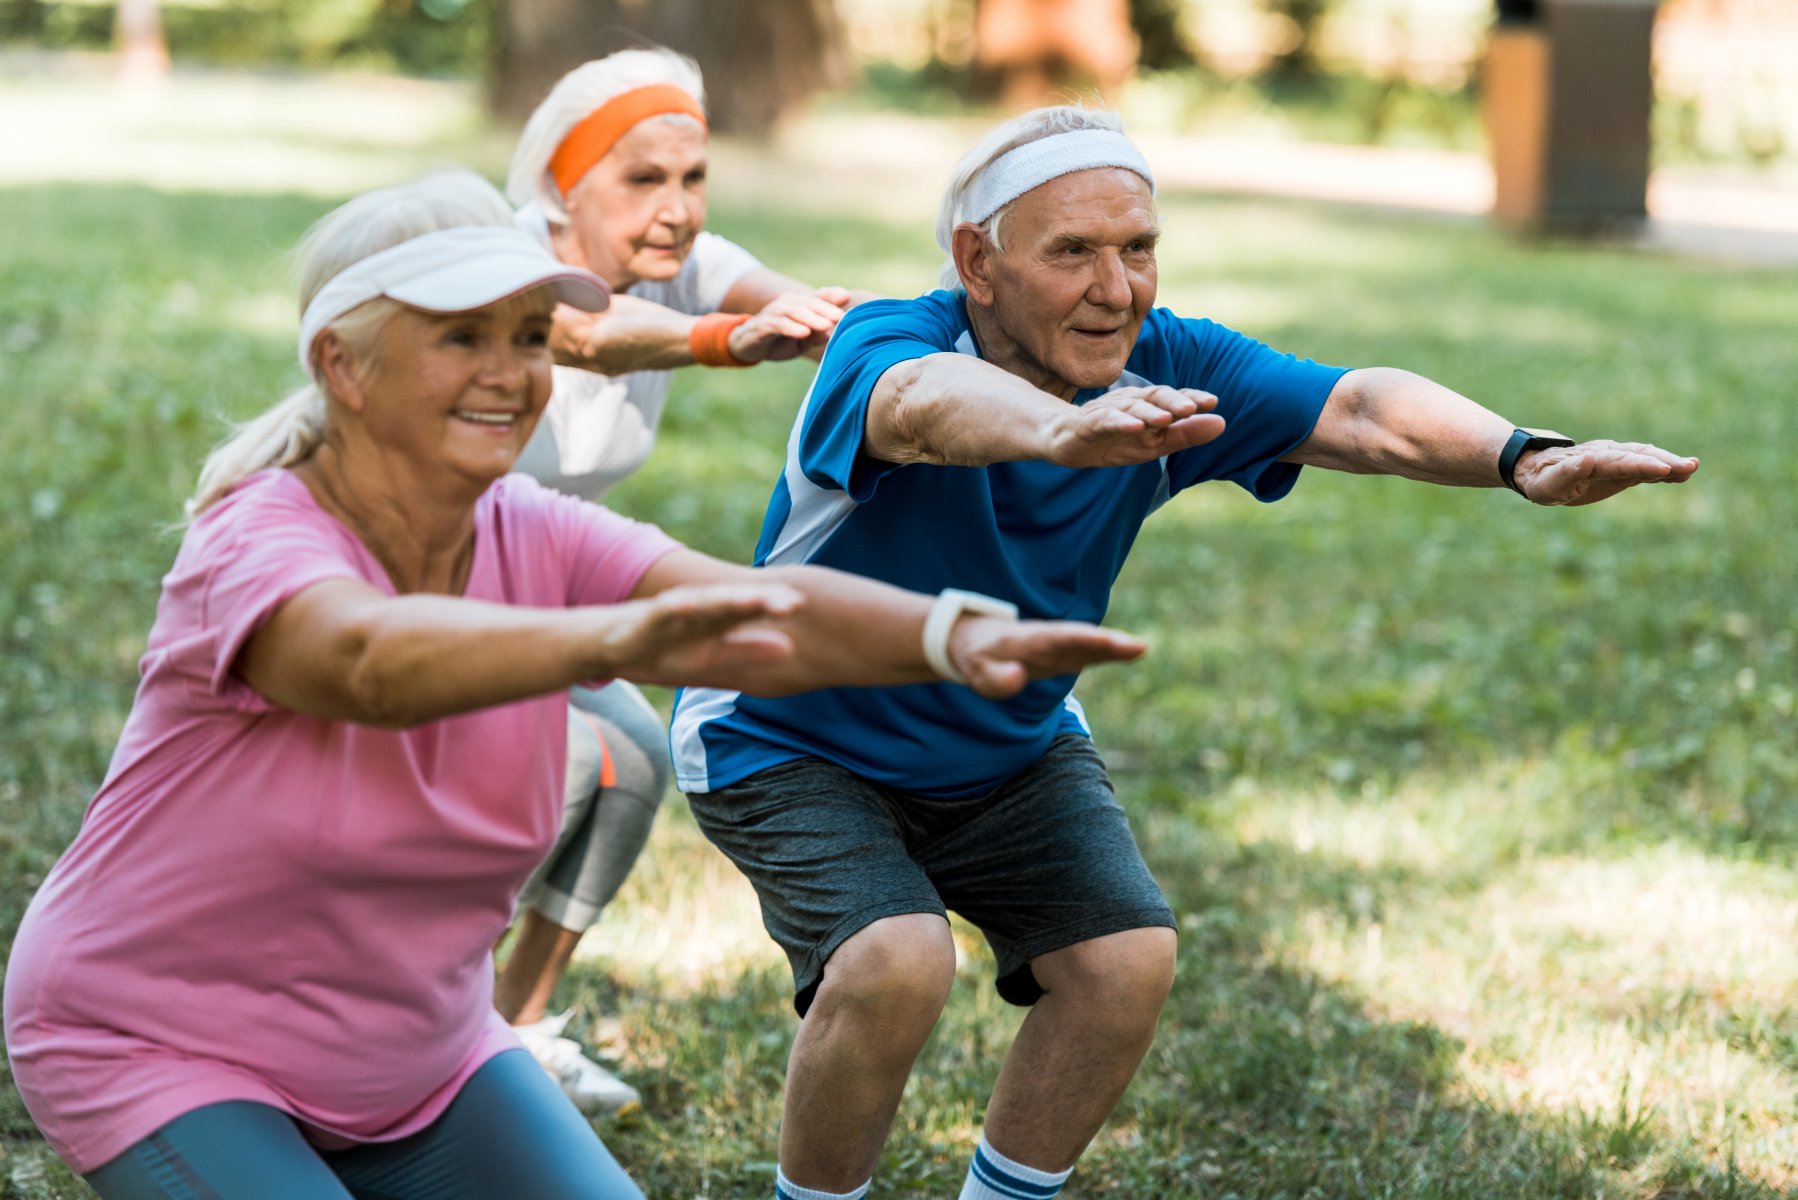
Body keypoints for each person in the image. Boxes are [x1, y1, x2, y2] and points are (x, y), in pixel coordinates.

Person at [0, 169, 1148, 1199]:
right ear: (340, 364)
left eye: (530, 337)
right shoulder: (261, 540)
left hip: (418, 1053)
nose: (510, 376)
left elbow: (750, 607)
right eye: (461, 339)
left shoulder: (527, 526)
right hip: (162, 1043)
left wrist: (952, 636)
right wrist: (610, 635)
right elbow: (365, 662)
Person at [670, 105, 1701, 1200]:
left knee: (1123, 964)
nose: (1116, 289)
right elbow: (922, 410)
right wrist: (1055, 427)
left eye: (1138, 249)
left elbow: (1354, 406)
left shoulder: (1168, 365)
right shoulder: (892, 339)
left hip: (1006, 741)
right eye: (1072, 252)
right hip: (785, 731)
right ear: (978, 261)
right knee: (894, 958)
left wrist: (1519, 455)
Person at [494, 48, 880, 1109]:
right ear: (565, 187)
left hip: (533, 574)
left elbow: (811, 312)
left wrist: (908, 343)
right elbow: (584, 332)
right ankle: (418, 1019)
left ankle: (513, 1030)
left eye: (693, 177)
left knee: (627, 759)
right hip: (418, 574)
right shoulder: (505, 255)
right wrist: (722, 340)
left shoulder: (690, 257)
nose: (676, 208)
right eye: (642, 179)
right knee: (574, 758)